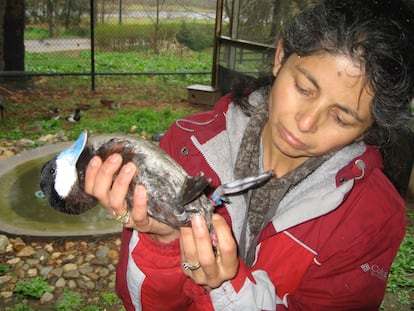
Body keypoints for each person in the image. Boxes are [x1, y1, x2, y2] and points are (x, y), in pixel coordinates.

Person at [84, 0, 414, 310]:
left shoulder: (372, 215)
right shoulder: (187, 146)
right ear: (280, 56)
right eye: (303, 88)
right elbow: (137, 302)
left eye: (341, 118)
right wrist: (163, 241)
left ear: (370, 126)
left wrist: (229, 291)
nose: (306, 123)